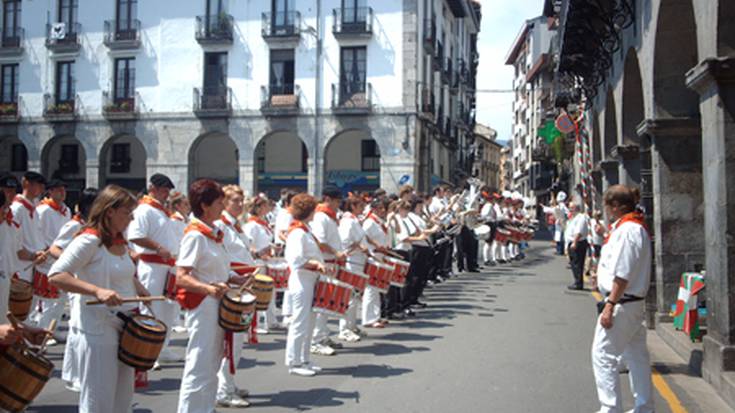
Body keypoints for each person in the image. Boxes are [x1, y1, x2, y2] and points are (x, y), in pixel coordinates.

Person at [48, 185, 151, 413]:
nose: (131, 218)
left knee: (123, 397)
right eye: (127, 213)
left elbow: (120, 272)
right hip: (98, 327)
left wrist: (138, 287)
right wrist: (97, 291)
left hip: (126, 325)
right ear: (109, 211)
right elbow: (56, 275)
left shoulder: (118, 241)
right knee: (99, 398)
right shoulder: (88, 240)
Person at [592, 185, 653, 413]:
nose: (606, 211)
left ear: (615, 207)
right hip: (630, 303)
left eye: (608, 207)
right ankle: (644, 407)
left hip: (622, 303)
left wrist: (610, 304)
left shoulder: (628, 230)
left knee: (602, 354)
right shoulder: (630, 227)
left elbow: (623, 273)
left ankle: (610, 408)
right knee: (636, 355)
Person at [175, 179, 231, 413]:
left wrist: (235, 277)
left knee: (212, 362)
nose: (223, 206)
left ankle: (206, 408)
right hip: (203, 305)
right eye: (219, 202)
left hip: (216, 303)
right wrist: (208, 288)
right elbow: (181, 276)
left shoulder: (213, 233)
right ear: (205, 206)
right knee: (199, 364)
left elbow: (216, 269)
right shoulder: (196, 235)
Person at [127, 173, 180, 366]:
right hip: (151, 264)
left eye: (167, 190)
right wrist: (158, 247)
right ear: (152, 189)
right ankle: (146, 349)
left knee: (167, 308)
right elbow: (135, 235)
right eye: (163, 190)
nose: (166, 194)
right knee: (149, 307)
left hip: (166, 265)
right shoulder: (144, 210)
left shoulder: (160, 210)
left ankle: (162, 348)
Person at [49, 187, 98, 393]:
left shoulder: (93, 228)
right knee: (78, 327)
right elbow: (54, 248)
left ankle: (76, 373)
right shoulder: (75, 226)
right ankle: (75, 374)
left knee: (80, 328)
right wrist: (73, 263)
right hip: (76, 279)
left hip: (84, 279)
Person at [214, 185, 255, 408]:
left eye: (241, 200)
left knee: (237, 341)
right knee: (231, 340)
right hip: (232, 286)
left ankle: (229, 383)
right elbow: (224, 258)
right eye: (235, 201)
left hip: (242, 285)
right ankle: (224, 390)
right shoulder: (221, 225)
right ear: (224, 202)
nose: (240, 204)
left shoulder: (235, 225)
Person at [284, 193, 326, 376]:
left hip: (310, 278)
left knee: (309, 321)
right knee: (299, 321)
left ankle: (305, 358)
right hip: (302, 279)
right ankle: (294, 362)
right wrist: (316, 264)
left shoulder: (305, 230)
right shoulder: (297, 232)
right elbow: (295, 260)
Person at [32, 179, 71, 339]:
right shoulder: (42, 210)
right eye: (58, 190)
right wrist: (41, 250)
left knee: (60, 300)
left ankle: (51, 332)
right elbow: (36, 233)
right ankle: (41, 333)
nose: (62, 192)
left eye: (63, 189)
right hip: (47, 260)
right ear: (50, 192)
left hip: (62, 259)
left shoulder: (66, 210)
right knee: (46, 300)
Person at [310, 186, 346, 353]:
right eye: (337, 201)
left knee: (327, 304)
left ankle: (322, 335)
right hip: (325, 262)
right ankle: (316, 340)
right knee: (322, 304)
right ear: (328, 199)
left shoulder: (329, 217)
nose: (339, 204)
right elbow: (320, 241)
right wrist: (336, 252)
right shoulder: (321, 217)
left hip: (332, 262)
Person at [244, 195, 278, 333]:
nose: (267, 208)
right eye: (264, 206)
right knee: (258, 293)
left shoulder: (262, 224)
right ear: (257, 208)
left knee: (269, 292)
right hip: (257, 262)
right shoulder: (251, 225)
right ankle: (256, 324)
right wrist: (258, 253)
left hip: (266, 261)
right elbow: (248, 245)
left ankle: (271, 320)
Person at [11, 172, 48, 287]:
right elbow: (13, 242)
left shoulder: (34, 209)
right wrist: (32, 255)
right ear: (26, 184)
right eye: (38, 185)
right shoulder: (17, 209)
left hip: (35, 265)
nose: (42, 189)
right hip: (21, 266)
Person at [566, 202, 589, 291]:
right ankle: (577, 281)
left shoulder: (581, 217)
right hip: (572, 242)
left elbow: (578, 231)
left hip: (578, 243)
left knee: (577, 264)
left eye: (572, 208)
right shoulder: (572, 218)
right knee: (574, 263)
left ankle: (578, 283)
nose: (570, 209)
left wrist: (575, 242)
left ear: (577, 208)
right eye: (569, 208)